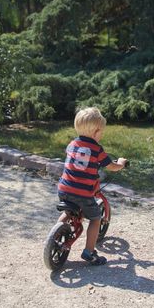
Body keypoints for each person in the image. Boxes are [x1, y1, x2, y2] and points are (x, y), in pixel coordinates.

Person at [58, 107, 127, 265]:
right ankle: (89, 252)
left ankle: (55, 234)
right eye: (101, 132)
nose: (101, 135)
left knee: (69, 211)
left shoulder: (72, 143)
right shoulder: (97, 149)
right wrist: (121, 164)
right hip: (83, 194)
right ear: (96, 132)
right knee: (95, 218)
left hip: (63, 189)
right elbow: (111, 166)